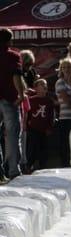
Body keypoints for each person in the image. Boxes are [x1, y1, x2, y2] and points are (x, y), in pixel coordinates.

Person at [0, 27, 25, 180]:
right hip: (9, 98)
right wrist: (21, 95)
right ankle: (13, 170)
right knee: (12, 136)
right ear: (10, 40)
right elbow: (16, 76)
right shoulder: (14, 56)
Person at [26, 79, 55, 171]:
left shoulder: (49, 101)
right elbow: (27, 113)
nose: (44, 86)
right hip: (33, 129)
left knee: (43, 149)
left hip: (44, 130)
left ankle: (42, 167)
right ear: (36, 88)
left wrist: (50, 127)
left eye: (45, 84)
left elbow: (52, 116)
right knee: (32, 148)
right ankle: (29, 166)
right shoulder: (31, 100)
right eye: (42, 84)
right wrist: (27, 124)